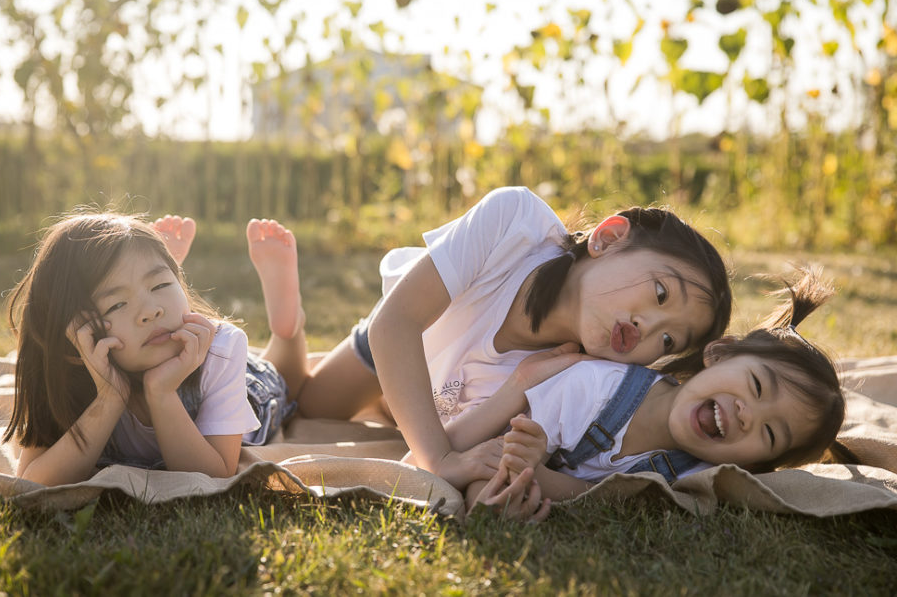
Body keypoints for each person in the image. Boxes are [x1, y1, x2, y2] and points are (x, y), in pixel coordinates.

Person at [278, 186, 734, 489]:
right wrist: (436, 458)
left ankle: (388, 404)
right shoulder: (515, 224)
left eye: (670, 341)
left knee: (397, 415)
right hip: (399, 344)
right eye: (659, 294)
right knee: (311, 404)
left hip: (441, 396)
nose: (648, 330)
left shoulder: (582, 377)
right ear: (608, 238)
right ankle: (289, 326)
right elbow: (394, 325)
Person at [452, 267, 844, 518]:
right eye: (757, 386)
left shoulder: (700, 475)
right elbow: (489, 456)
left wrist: (536, 479)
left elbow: (605, 499)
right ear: (720, 353)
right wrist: (493, 494)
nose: (748, 415)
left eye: (770, 433)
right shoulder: (593, 387)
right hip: (466, 394)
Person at [3, 212, 307, 486]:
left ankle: (289, 330)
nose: (150, 311)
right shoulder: (66, 372)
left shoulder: (222, 349)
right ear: (73, 333)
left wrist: (161, 393)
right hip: (142, 354)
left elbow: (215, 475)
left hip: (228, 379)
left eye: (160, 285)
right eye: (117, 304)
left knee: (293, 385)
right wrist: (110, 396)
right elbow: (34, 481)